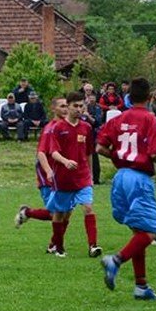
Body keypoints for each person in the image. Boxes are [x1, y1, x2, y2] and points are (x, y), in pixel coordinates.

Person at [97, 78, 156, 300]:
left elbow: (100, 147)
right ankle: (115, 260)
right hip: (139, 178)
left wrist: (118, 157)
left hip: (120, 178)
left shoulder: (119, 118)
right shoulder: (150, 119)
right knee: (150, 232)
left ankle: (141, 286)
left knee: (139, 231)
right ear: (148, 98)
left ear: (128, 97)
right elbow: (155, 153)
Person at [43, 92, 100, 259]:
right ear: (68, 107)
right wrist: (65, 161)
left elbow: (89, 153)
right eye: (75, 106)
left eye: (81, 106)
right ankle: (58, 246)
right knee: (59, 213)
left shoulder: (86, 128)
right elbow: (53, 152)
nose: (79, 109)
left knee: (88, 207)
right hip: (63, 178)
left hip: (82, 177)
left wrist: (90, 174)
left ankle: (93, 246)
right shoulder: (58, 128)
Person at [15, 96, 66, 235]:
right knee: (54, 213)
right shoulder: (49, 128)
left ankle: (55, 245)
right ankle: (27, 212)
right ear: (53, 108)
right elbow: (41, 153)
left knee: (65, 212)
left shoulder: (67, 127)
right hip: (47, 174)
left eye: (67, 106)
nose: (65, 109)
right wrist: (48, 171)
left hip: (62, 173)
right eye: (62, 106)